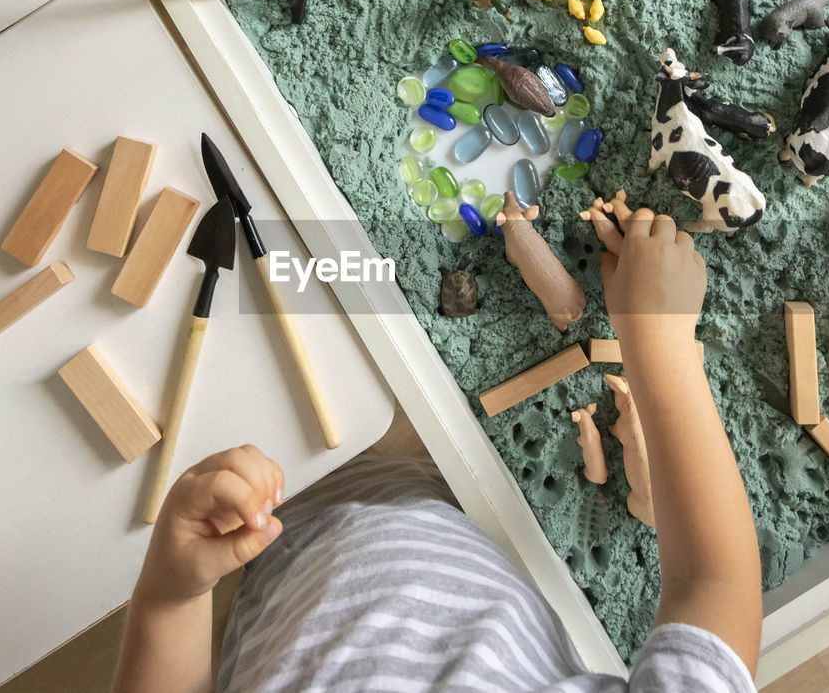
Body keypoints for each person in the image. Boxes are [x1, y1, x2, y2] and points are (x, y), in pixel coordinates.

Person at [112, 208, 762, 692]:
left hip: (274, 547)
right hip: (441, 509)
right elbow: (716, 583)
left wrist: (172, 594)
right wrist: (661, 338)